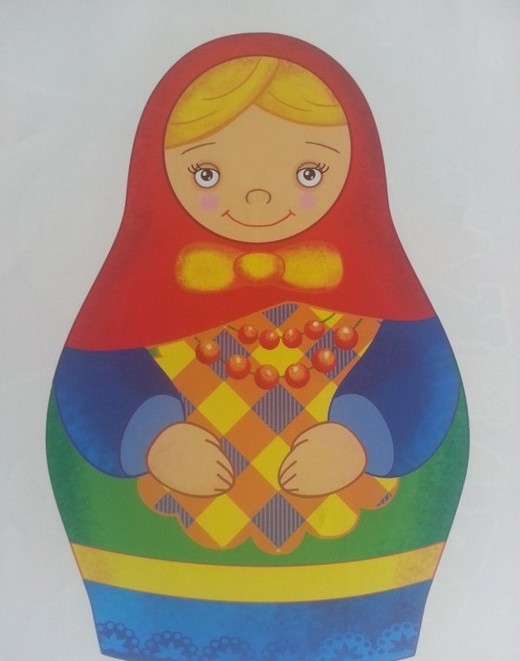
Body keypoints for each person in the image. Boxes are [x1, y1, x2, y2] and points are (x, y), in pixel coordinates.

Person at [48, 34, 468, 661]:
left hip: (357, 584)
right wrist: (150, 435)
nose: (258, 199)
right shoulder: (132, 291)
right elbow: (92, 387)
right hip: (160, 578)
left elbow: (421, 383)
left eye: (307, 174)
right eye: (208, 174)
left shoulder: (384, 290)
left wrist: (362, 436)